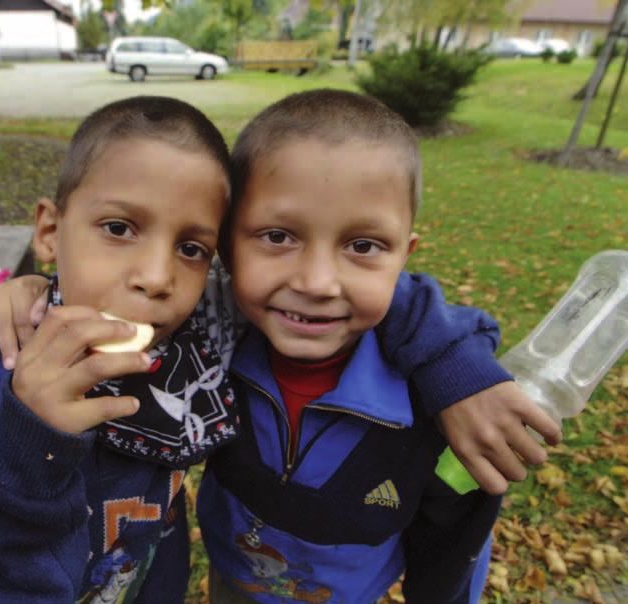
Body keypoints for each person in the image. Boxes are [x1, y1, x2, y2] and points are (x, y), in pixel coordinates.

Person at [0, 95, 555, 603]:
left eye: (192, 248)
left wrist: (454, 367)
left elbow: (352, 287)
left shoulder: (205, 328)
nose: (156, 277)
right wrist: (31, 301)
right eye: (120, 227)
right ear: (48, 228)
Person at [197, 89, 521, 603]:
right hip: (231, 579)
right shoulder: (211, 338)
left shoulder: (436, 402)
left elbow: (456, 535)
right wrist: (29, 294)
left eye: (363, 246)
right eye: (278, 236)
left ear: (404, 255)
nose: (319, 282)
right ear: (228, 243)